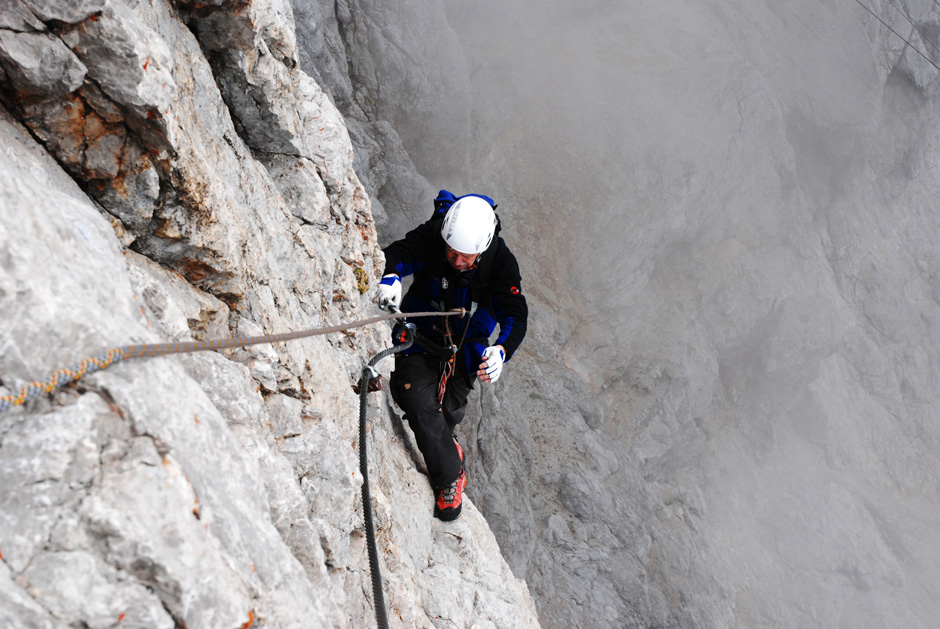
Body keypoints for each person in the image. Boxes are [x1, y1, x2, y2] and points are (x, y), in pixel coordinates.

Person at [377, 193, 528, 520]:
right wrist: (390, 276)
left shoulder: (500, 264)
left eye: (465, 257)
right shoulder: (435, 235)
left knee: (445, 416)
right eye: (451, 253)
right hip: (420, 336)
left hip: (463, 350)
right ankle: (450, 477)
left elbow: (515, 316)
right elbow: (398, 254)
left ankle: (447, 444)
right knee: (416, 401)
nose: (456, 261)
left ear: (482, 248)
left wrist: (501, 350)